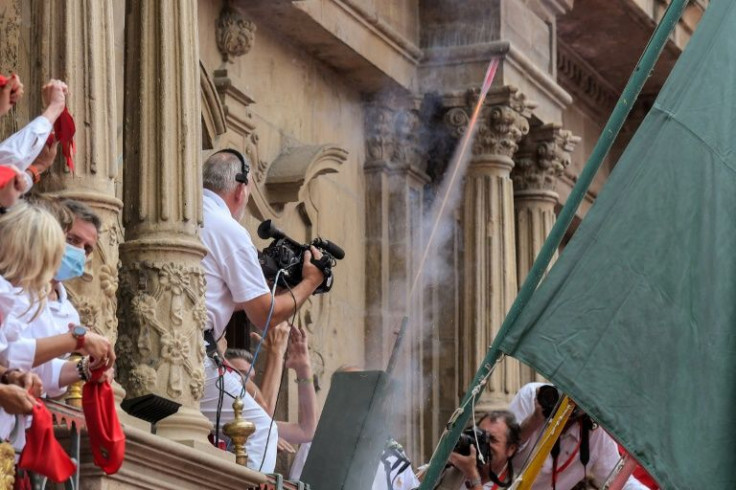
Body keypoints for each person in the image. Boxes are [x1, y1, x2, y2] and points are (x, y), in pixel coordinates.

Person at [199, 149, 325, 473]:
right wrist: (310, 282)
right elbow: (263, 314)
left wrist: (277, 289)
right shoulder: (228, 229)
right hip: (195, 355)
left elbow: (227, 295)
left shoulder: (191, 212)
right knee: (261, 434)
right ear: (241, 190)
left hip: (176, 345)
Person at [509, 382, 647, 490]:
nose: (571, 400)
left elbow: (618, 481)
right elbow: (505, 455)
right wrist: (534, 419)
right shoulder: (531, 396)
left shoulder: (595, 433)